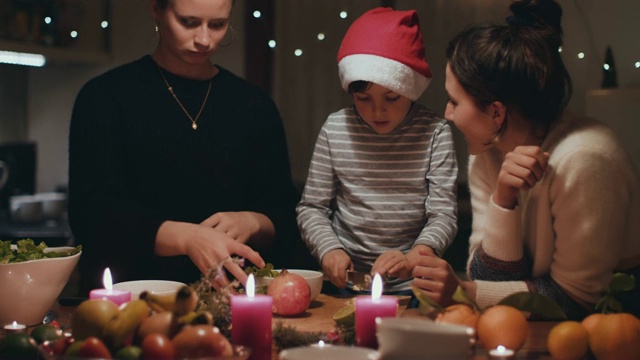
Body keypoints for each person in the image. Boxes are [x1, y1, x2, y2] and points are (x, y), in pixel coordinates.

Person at [412, 0, 640, 320]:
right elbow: (491, 280)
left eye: (454, 101)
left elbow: (577, 299)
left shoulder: (585, 160)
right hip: (532, 324)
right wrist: (503, 199)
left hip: (613, 326)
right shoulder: (487, 154)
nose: (447, 115)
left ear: (496, 112)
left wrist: (466, 292)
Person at [68, 0, 314, 295]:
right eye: (188, 22)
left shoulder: (254, 105)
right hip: (131, 301)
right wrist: (187, 238)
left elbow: (288, 215)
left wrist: (255, 221)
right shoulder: (104, 97)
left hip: (231, 302)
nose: (204, 39)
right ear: (156, 10)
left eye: (218, 24)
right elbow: (92, 213)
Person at [297, 7, 458, 294]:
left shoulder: (434, 132)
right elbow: (312, 208)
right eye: (363, 98)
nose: (378, 110)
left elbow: (443, 214)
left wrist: (416, 255)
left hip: (414, 285)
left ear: (410, 88)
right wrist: (329, 250)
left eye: (392, 97)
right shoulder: (336, 129)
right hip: (347, 283)